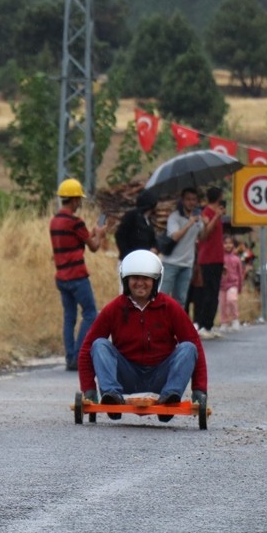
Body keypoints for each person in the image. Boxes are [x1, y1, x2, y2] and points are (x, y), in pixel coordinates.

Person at [77, 250, 207, 423]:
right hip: (126, 376)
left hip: (161, 376)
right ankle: (111, 395)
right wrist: (89, 389)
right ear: (126, 280)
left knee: (188, 348)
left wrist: (199, 389)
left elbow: (195, 345)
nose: (140, 283)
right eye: (135, 278)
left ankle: (170, 397)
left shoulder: (170, 307)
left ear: (155, 281)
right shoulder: (114, 308)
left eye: (146, 278)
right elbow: (87, 349)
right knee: (99, 344)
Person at [51, 177, 105, 371]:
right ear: (74, 200)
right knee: (90, 313)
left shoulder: (55, 221)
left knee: (69, 317)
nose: (79, 203)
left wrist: (90, 234)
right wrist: (99, 233)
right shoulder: (76, 222)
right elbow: (94, 247)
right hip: (77, 277)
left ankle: (69, 357)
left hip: (61, 277)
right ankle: (77, 357)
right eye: (79, 199)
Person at [159, 188, 204, 305]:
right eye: (188, 199)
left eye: (194, 199)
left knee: (180, 299)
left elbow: (203, 237)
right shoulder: (174, 217)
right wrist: (189, 223)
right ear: (182, 201)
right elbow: (175, 236)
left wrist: (205, 221)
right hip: (171, 263)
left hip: (187, 264)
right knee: (162, 296)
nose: (191, 202)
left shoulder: (198, 218)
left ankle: (176, 323)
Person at [192, 187, 226, 338]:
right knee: (207, 292)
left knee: (214, 293)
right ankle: (202, 324)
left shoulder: (216, 212)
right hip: (207, 258)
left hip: (218, 257)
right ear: (219, 196)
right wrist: (216, 217)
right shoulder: (205, 213)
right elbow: (204, 235)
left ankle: (209, 325)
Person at [114, 188, 158, 260]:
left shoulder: (148, 220)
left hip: (143, 260)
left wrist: (155, 248)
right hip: (129, 259)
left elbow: (152, 239)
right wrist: (127, 254)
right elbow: (120, 235)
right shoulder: (132, 215)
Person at [218, 235, 244, 330]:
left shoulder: (236, 259)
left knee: (231, 300)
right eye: (225, 243)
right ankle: (224, 322)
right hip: (221, 285)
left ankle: (235, 319)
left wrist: (240, 287)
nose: (228, 245)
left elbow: (240, 274)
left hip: (233, 284)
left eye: (230, 243)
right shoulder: (220, 258)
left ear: (233, 245)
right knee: (223, 304)